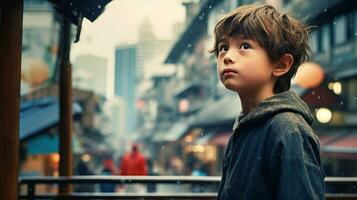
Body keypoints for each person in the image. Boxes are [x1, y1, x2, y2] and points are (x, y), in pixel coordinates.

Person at [210, 4, 325, 200]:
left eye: (245, 46)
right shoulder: (245, 126)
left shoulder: (287, 129)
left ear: (281, 64)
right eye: (223, 47)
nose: (227, 57)